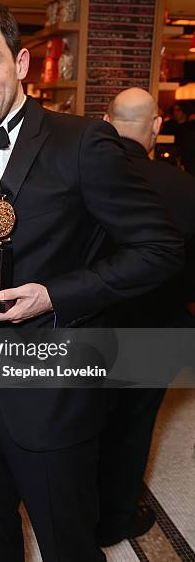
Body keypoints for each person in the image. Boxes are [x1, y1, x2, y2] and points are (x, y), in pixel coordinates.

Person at [0, 0, 184, 562]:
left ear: (21, 64)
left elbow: (160, 248)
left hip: (51, 388)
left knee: (68, 544)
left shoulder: (83, 143)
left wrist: (57, 293)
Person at [98, 87, 195, 546]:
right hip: (158, 326)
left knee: (82, 421)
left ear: (106, 119)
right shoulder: (183, 186)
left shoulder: (82, 176)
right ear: (156, 126)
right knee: (135, 428)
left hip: (91, 320)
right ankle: (116, 518)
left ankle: (73, 510)